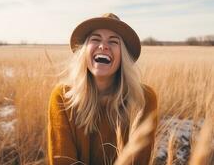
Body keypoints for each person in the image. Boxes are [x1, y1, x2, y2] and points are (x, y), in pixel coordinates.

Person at [47, 13, 158, 165]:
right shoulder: (62, 96)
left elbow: (139, 161)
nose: (103, 46)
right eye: (95, 39)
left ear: (123, 55)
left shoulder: (143, 98)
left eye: (113, 41)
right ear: (84, 51)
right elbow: (62, 161)